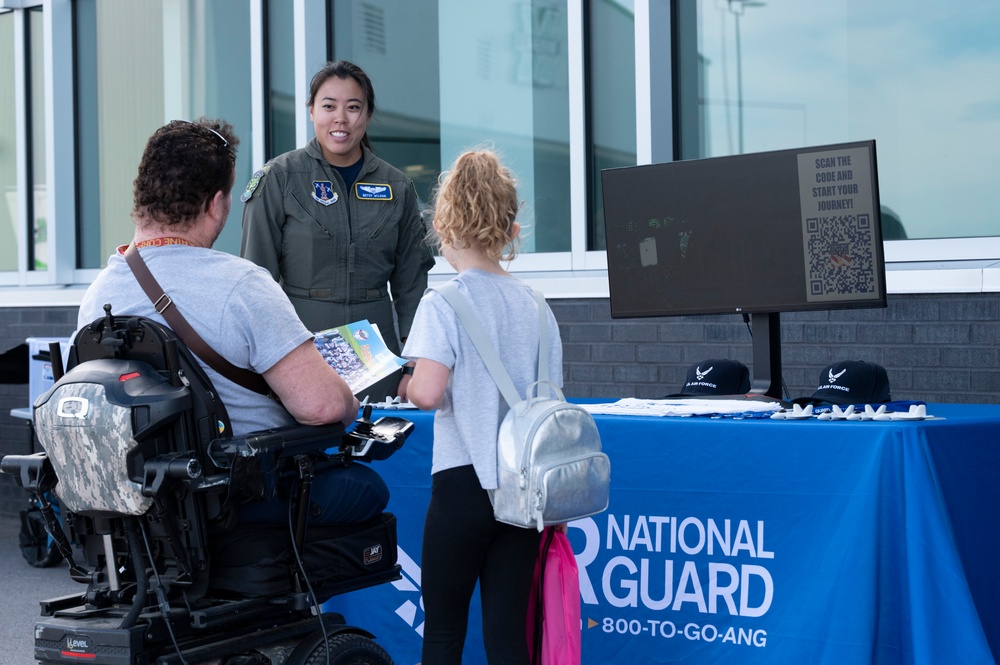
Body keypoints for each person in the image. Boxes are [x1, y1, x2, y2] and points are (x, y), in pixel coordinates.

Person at [76, 118, 388, 526]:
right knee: (367, 488)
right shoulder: (241, 284)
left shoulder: (98, 295)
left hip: (144, 510)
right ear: (216, 203)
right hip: (238, 504)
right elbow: (323, 407)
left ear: (143, 196)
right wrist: (349, 403)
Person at [402, 149, 564, 665]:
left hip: (462, 485)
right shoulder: (539, 306)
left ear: (445, 222)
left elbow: (427, 393)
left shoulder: (442, 302)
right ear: (512, 227)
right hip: (523, 495)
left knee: (445, 636)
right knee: (510, 640)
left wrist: (400, 380)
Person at [240, 60, 435, 400]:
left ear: (368, 115)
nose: (340, 119)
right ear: (312, 111)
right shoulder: (279, 178)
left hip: (379, 355)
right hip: (301, 351)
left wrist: (414, 362)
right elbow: (257, 281)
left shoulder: (397, 186)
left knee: (380, 445)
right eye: (329, 106)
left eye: (353, 107)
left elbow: (411, 285)